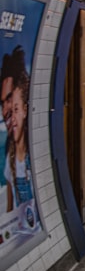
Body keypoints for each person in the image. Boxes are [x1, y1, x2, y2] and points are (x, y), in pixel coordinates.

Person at [1, 46, 32, 213]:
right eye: (3, 103)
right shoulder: (10, 158)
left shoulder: (32, 156)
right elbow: (10, 210)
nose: (8, 114)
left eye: (15, 108)